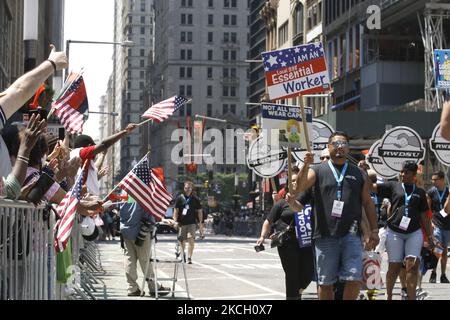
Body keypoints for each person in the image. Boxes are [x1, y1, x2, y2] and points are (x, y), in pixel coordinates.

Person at [294, 131, 379, 300]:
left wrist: (374, 230)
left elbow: (368, 203)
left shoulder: (359, 173)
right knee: (326, 283)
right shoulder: (317, 170)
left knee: (354, 279)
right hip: (325, 236)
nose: (339, 147)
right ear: (329, 147)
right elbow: (300, 186)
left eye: (343, 144)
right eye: (336, 144)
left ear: (348, 149)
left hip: (352, 236)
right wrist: (305, 165)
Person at [0, 45, 67, 178]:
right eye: (45, 99)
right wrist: (52, 63)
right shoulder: (12, 126)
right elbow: (20, 90)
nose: (46, 103)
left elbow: (13, 187)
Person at [371, 161, 433, 300]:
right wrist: (365, 174)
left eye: (407, 172)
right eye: (402, 172)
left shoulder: (420, 192)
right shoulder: (393, 186)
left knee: (413, 265)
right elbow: (373, 187)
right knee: (395, 266)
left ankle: (411, 297)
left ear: (414, 175)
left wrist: (430, 236)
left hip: (414, 233)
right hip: (394, 232)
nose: (403, 174)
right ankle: (390, 296)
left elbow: (424, 215)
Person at [258, 174, 314, 300]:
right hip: (287, 242)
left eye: (298, 181)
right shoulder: (281, 204)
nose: (295, 183)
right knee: (292, 274)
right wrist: (262, 236)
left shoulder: (310, 199)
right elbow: (268, 220)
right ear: (288, 185)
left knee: (309, 272)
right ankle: (292, 296)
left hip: (307, 241)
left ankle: (298, 291)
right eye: (292, 181)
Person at [120, 195, 170, 297]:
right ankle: (153, 286)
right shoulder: (142, 190)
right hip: (140, 230)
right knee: (145, 259)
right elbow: (148, 211)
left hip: (126, 229)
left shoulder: (125, 190)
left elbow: (122, 209)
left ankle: (132, 287)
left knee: (129, 258)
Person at [427, 171, 450, 283]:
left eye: (435, 179)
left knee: (444, 250)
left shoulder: (448, 191)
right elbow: (428, 209)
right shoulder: (431, 192)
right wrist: (430, 222)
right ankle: (433, 272)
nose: (433, 181)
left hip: (448, 225)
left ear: (442, 179)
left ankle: (443, 275)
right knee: (437, 249)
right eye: (432, 179)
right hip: (436, 224)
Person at [173, 181, 204, 264]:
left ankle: (189, 257)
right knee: (182, 241)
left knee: (191, 239)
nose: (188, 189)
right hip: (181, 223)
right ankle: (183, 255)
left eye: (189, 188)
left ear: (192, 189)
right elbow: (176, 211)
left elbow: (199, 211)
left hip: (191, 223)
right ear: (184, 188)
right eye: (186, 188)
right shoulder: (179, 198)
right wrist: (175, 221)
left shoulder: (195, 199)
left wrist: (200, 222)